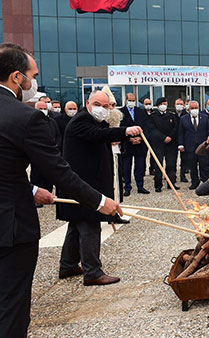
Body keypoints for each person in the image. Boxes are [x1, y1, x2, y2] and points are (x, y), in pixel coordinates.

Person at [0, 42, 123, 338]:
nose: (34, 82)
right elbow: (59, 171)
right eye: (32, 75)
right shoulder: (25, 116)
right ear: (17, 77)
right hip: (10, 230)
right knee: (11, 309)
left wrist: (32, 189)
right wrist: (100, 202)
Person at [57, 90, 141, 287]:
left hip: (84, 184)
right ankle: (93, 272)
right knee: (89, 224)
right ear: (88, 103)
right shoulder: (81, 120)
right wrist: (125, 131)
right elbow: (96, 135)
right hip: (82, 186)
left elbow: (102, 136)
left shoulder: (95, 121)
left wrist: (126, 137)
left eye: (106, 106)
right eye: (98, 105)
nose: (102, 110)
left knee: (76, 225)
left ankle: (67, 265)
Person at [29, 100, 62, 202]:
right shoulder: (30, 122)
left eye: (44, 109)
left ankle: (48, 195)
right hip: (36, 155)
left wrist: (56, 147)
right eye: (40, 109)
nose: (43, 111)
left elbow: (58, 136)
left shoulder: (52, 122)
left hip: (50, 154)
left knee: (49, 176)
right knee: (37, 176)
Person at [146, 97, 179, 192]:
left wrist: (170, 137)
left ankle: (171, 183)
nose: (163, 105)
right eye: (161, 104)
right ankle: (158, 185)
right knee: (158, 165)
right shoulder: (152, 116)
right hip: (158, 144)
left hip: (170, 144)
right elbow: (152, 130)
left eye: (165, 103)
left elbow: (175, 128)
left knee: (171, 164)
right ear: (157, 105)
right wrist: (163, 138)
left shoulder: (172, 116)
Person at [119, 93, 149, 196]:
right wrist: (129, 139)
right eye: (130, 100)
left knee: (140, 166)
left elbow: (146, 126)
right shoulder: (120, 112)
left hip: (140, 144)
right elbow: (119, 129)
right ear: (126, 100)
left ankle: (140, 186)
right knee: (127, 167)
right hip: (127, 145)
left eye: (133, 100)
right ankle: (127, 187)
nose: (132, 102)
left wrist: (140, 138)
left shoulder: (140, 112)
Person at [178, 101, 209, 190]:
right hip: (190, 146)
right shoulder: (183, 119)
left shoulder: (205, 118)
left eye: (196, 108)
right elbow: (181, 133)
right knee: (192, 165)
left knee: (204, 164)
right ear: (188, 109)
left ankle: (205, 182)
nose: (194, 110)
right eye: (192, 108)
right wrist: (180, 144)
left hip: (203, 146)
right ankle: (194, 182)